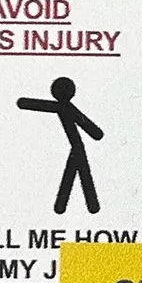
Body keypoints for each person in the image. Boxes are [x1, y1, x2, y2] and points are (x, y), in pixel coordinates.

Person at [17, 75, 104, 215]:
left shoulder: (62, 107)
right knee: (80, 172)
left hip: (77, 145)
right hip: (77, 145)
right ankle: (76, 205)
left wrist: (24, 103)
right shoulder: (68, 107)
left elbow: (96, 133)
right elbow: (95, 132)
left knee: (75, 172)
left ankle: (64, 206)